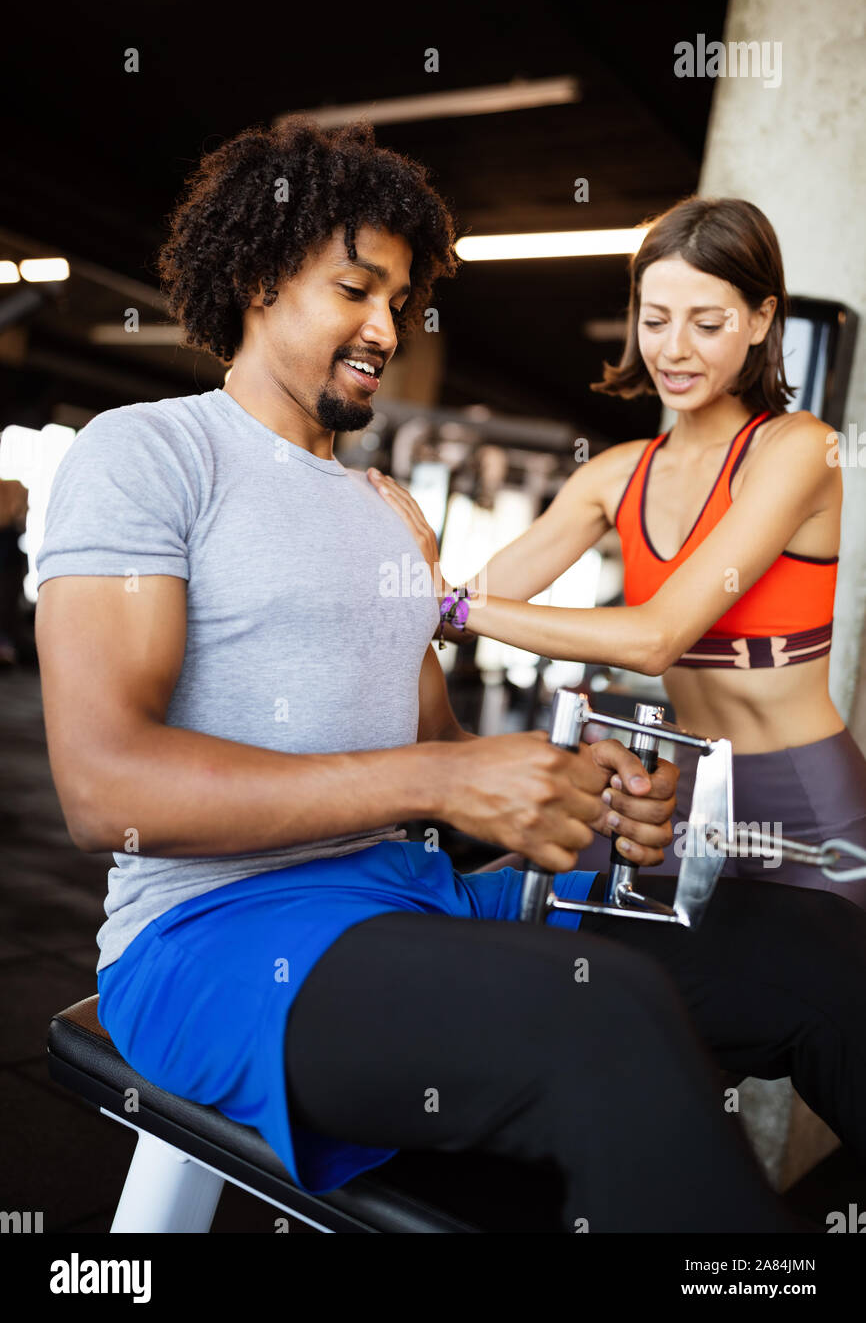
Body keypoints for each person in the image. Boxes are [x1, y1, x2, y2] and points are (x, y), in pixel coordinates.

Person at [34, 121, 866, 1233]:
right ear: (254, 277)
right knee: (605, 1013)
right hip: (216, 939)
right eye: (354, 289)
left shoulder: (388, 513)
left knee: (817, 955)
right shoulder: (149, 453)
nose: (385, 327)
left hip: (417, 896)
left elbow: (437, 747)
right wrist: (434, 783)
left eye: (402, 300)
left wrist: (574, 785)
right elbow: (107, 790)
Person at [373, 196, 866, 907]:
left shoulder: (797, 448)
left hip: (806, 807)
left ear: (761, 320)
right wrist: (411, 579)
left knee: (803, 1007)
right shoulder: (614, 475)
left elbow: (656, 639)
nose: (674, 349)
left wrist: (450, 600)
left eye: (708, 323)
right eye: (656, 319)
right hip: (676, 796)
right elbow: (457, 612)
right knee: (523, 927)